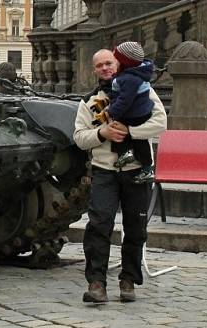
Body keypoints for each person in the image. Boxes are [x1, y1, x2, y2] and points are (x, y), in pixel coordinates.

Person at [74, 48, 166, 304]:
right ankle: (96, 283)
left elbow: (161, 122)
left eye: (109, 63)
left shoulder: (141, 88)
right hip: (105, 170)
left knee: (136, 228)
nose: (105, 68)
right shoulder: (90, 101)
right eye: (100, 65)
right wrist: (102, 134)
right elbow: (80, 138)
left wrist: (130, 131)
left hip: (136, 169)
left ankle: (129, 279)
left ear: (118, 64)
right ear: (94, 70)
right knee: (99, 224)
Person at [103, 41, 155, 184]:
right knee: (138, 140)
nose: (114, 62)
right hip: (139, 111)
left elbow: (125, 100)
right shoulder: (131, 74)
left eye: (116, 60)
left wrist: (111, 111)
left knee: (118, 127)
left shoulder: (129, 78)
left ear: (124, 63)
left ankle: (134, 159)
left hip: (136, 112)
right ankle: (139, 162)